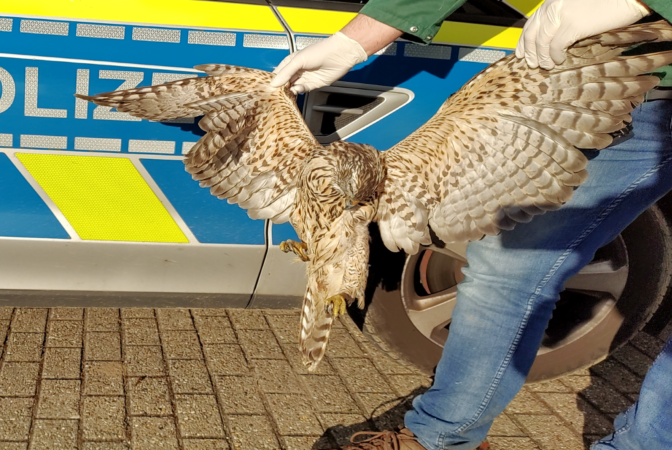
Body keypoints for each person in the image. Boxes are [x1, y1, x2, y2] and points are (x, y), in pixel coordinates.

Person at [271, 0, 672, 449]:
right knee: (507, 266)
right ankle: (442, 438)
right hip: (620, 78)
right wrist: (355, 39)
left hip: (632, 66)